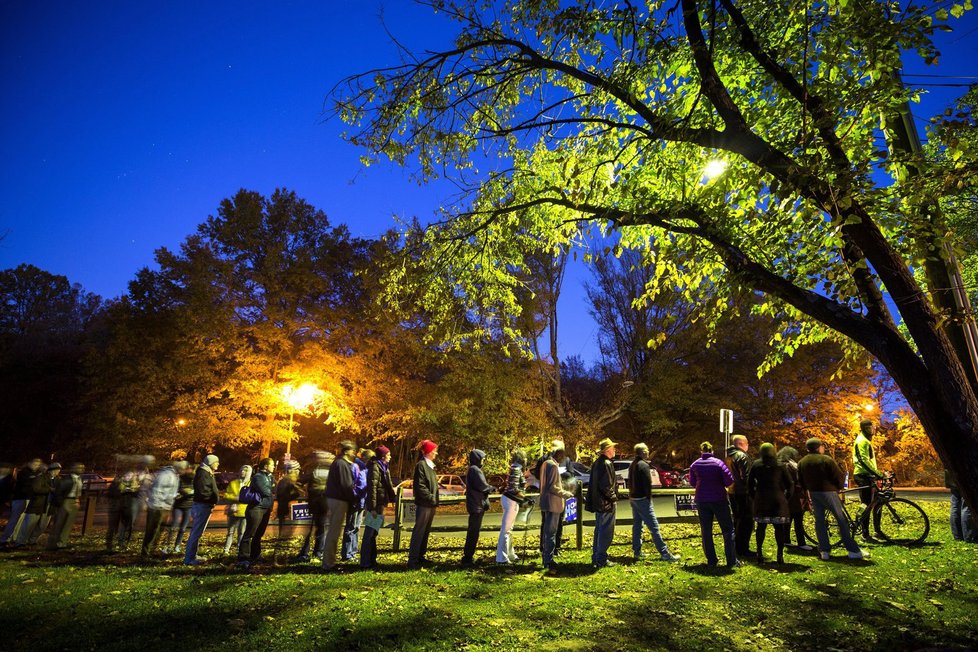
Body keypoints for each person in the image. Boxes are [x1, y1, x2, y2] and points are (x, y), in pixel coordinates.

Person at [798, 438, 868, 560]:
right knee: (842, 520)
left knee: (820, 521)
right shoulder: (826, 459)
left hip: (814, 493)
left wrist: (806, 491)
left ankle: (824, 550)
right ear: (819, 447)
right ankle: (853, 550)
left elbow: (801, 480)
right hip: (828, 492)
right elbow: (838, 475)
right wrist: (839, 487)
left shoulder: (802, 462)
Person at [689, 442, 739, 568]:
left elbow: (692, 482)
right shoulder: (718, 463)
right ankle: (731, 561)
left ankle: (711, 560)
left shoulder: (695, 464)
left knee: (706, 530)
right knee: (727, 530)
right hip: (718, 499)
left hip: (702, 500)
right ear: (712, 451)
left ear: (701, 451)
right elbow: (729, 481)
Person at [629, 443, 679, 563]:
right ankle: (664, 552)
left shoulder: (633, 465)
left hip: (633, 498)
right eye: (646, 450)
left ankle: (637, 552)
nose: (648, 452)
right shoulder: (644, 466)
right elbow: (647, 484)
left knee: (637, 525)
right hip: (642, 499)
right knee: (654, 526)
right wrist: (648, 497)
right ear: (643, 452)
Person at [747, 443, 792, 564]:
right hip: (778, 500)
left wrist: (754, 497)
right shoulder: (780, 465)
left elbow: (750, 483)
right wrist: (786, 498)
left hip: (761, 499)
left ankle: (759, 553)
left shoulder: (756, 465)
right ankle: (779, 555)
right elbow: (790, 484)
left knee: (761, 528)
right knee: (779, 528)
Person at [323, 440, 357, 571]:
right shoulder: (342, 464)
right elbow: (346, 485)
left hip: (334, 499)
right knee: (334, 532)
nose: (354, 452)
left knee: (334, 531)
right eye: (352, 450)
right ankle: (329, 563)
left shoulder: (338, 463)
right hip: (338, 500)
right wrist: (352, 499)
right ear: (346, 451)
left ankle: (329, 561)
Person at [539, 444, 574, 572]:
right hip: (553, 503)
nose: (563, 459)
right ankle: (549, 560)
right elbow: (553, 487)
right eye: (562, 456)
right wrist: (566, 494)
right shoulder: (553, 466)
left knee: (547, 532)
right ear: (558, 455)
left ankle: (546, 558)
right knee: (551, 533)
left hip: (545, 502)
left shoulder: (545, 464)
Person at [361, 445, 396, 569]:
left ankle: (371, 560)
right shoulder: (375, 467)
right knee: (369, 532)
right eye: (388, 454)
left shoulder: (383, 467)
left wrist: (393, 498)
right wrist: (373, 508)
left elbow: (388, 485)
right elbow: (372, 488)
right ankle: (365, 562)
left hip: (380, 503)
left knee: (374, 532)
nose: (390, 456)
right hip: (376, 505)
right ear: (383, 456)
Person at [294, 450, 333, 563]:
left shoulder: (313, 470)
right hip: (326, 502)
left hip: (314, 501)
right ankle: (318, 552)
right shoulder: (331, 471)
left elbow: (300, 482)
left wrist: (301, 491)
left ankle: (304, 552)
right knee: (321, 528)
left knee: (310, 528)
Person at [237, 458, 275, 569]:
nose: (273, 467)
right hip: (256, 508)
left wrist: (272, 489)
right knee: (250, 533)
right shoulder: (258, 477)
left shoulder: (269, 477)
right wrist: (271, 490)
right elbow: (266, 491)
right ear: (266, 466)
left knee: (259, 534)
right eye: (272, 465)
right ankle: (243, 558)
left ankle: (255, 555)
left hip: (266, 508)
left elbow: (273, 489)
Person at [141, 460, 185, 557]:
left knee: (158, 530)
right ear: (180, 468)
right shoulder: (166, 475)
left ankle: (151, 550)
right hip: (157, 506)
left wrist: (174, 496)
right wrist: (168, 499)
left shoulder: (174, 475)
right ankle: (146, 552)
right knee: (152, 530)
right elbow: (158, 490)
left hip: (163, 506)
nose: (185, 471)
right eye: (184, 469)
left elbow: (167, 490)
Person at [408, 439, 440, 570]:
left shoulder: (430, 466)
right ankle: (413, 559)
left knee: (425, 531)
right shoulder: (421, 465)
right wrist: (431, 497)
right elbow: (420, 486)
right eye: (434, 451)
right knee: (419, 531)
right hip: (425, 503)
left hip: (431, 503)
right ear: (428, 452)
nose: (436, 453)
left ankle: (421, 555)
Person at [588, 438, 619, 569]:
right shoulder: (606, 463)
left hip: (599, 503)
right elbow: (606, 485)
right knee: (606, 531)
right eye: (612, 448)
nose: (614, 450)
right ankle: (601, 558)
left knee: (599, 530)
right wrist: (613, 498)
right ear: (607, 450)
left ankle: (596, 556)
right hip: (605, 503)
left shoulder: (597, 463)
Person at [183, 454, 220, 566]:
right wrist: (211, 499)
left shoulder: (206, 472)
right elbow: (203, 491)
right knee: (196, 533)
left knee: (197, 532)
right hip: (202, 506)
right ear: (211, 462)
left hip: (204, 505)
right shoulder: (203, 474)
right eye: (216, 462)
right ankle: (189, 558)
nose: (218, 464)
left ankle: (192, 555)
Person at [852, 418, 885, 538]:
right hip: (863, 475)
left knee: (878, 501)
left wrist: (876, 473)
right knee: (866, 504)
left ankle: (877, 531)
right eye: (872, 427)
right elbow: (863, 460)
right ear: (866, 428)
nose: (874, 429)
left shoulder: (866, 440)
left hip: (869, 475)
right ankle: (864, 532)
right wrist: (877, 473)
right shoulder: (862, 441)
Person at [14, 462, 60, 547]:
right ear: (51, 470)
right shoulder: (40, 478)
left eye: (59, 470)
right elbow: (36, 489)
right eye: (56, 470)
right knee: (29, 525)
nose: (58, 472)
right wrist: (50, 490)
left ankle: (32, 540)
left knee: (42, 526)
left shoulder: (58, 480)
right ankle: (20, 542)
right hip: (38, 504)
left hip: (49, 506)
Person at [496, 449, 529, 565]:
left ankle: (510, 553)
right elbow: (514, 489)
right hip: (511, 501)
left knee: (508, 530)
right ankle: (502, 557)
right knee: (506, 530)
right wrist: (524, 499)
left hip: (510, 500)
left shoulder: (515, 468)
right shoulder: (516, 469)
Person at [776, 446, 812, 551]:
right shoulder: (790, 466)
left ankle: (786, 540)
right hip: (793, 496)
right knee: (798, 519)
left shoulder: (778, 465)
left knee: (788, 519)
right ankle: (801, 542)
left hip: (784, 496)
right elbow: (794, 481)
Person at [462, 449, 493, 565]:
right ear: (478, 458)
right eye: (483, 458)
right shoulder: (475, 470)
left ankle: (468, 556)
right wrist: (492, 488)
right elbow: (483, 486)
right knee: (473, 531)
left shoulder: (473, 470)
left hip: (475, 504)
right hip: (477, 505)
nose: (484, 461)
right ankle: (468, 557)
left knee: (473, 531)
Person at [1, 458, 41, 545]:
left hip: (28, 498)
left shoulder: (35, 473)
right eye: (35, 464)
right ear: (29, 463)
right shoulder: (23, 472)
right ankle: (5, 538)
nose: (36, 466)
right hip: (20, 498)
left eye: (38, 465)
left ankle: (14, 537)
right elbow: (25, 484)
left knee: (21, 520)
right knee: (14, 519)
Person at [726, 434, 754, 559]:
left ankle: (737, 547)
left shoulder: (728, 457)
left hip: (732, 492)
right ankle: (743, 549)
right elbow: (747, 477)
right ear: (742, 444)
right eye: (747, 443)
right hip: (743, 493)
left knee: (737, 520)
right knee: (746, 521)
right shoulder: (742, 456)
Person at [47, 462, 84, 550]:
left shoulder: (80, 479)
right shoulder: (66, 479)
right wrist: (61, 503)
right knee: (59, 523)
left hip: (75, 501)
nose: (81, 469)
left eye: (83, 468)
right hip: (66, 500)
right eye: (79, 467)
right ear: (73, 469)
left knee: (69, 524)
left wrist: (78, 500)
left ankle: (62, 543)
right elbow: (58, 492)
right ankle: (52, 544)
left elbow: (80, 491)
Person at [342, 449, 371, 562]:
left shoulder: (365, 469)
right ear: (366, 459)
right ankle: (347, 553)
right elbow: (351, 484)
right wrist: (354, 496)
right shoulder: (355, 467)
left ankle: (353, 552)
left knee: (357, 527)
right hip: (355, 501)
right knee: (350, 527)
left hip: (362, 501)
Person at [106, 463, 143, 552]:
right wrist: (121, 491)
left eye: (131, 475)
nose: (128, 477)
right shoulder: (117, 482)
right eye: (127, 475)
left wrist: (134, 491)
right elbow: (110, 494)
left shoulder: (135, 485)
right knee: (112, 526)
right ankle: (109, 545)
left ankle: (123, 543)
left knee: (127, 526)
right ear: (123, 475)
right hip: (116, 508)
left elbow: (138, 496)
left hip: (128, 509)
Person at [162, 463, 195, 555]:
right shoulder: (179, 479)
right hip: (178, 506)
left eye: (190, 469)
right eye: (187, 469)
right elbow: (176, 490)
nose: (188, 471)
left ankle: (177, 546)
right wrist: (183, 492)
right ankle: (168, 545)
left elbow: (196, 492)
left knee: (183, 528)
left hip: (188, 506)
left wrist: (192, 493)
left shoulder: (194, 480)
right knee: (174, 527)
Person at [222, 464, 252, 555]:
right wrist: (235, 498)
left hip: (244, 511)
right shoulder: (233, 483)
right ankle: (226, 550)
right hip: (233, 511)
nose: (243, 472)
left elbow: (252, 497)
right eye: (242, 470)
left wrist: (242, 498)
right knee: (230, 532)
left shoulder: (251, 484)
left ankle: (239, 550)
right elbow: (226, 495)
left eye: (245, 470)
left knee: (241, 533)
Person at [275, 460, 302, 552]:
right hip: (285, 511)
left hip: (287, 511)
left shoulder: (290, 481)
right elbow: (282, 496)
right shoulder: (285, 481)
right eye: (297, 469)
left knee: (287, 531)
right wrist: (296, 495)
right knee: (285, 532)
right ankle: (281, 551)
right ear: (291, 470)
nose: (298, 472)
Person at [945, 468, 977, 543]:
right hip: (966, 474)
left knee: (955, 504)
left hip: (952, 474)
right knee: (968, 505)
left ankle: (958, 535)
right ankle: (970, 536)